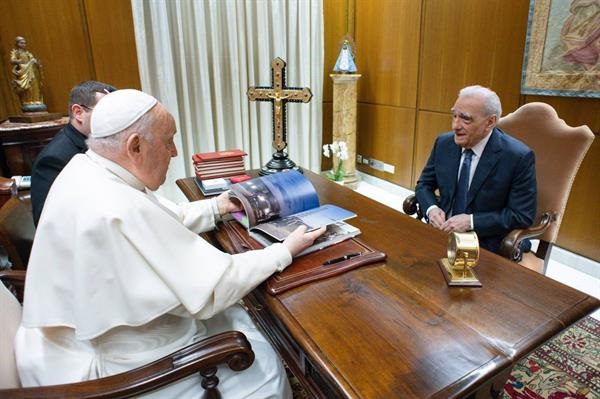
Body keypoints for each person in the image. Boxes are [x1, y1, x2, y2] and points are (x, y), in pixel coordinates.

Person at [16, 89, 325, 398]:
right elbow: (214, 286)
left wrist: (217, 207)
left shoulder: (88, 168)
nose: (174, 152)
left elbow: (161, 218)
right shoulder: (113, 204)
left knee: (241, 316)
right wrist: (284, 251)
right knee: (266, 365)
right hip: (124, 366)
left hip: (80, 341)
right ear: (135, 146)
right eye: (168, 141)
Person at [415, 85, 536, 254]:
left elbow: (521, 215)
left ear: (490, 122)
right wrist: (431, 209)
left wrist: (471, 222)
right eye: (454, 116)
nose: (455, 126)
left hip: (485, 242)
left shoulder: (517, 157)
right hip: (440, 233)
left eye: (465, 119)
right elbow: (424, 185)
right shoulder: (443, 143)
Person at [30, 80, 116, 226]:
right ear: (78, 112)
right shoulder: (54, 159)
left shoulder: (101, 141)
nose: (114, 120)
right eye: (105, 112)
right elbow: (47, 222)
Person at [10, 36, 46, 112]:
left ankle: (35, 100)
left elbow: (34, 61)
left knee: (34, 86)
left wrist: (36, 62)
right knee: (27, 88)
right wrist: (19, 61)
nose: (23, 44)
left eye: (24, 43)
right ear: (17, 44)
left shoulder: (28, 53)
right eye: (21, 43)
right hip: (24, 72)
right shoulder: (16, 52)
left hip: (31, 72)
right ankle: (28, 101)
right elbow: (12, 61)